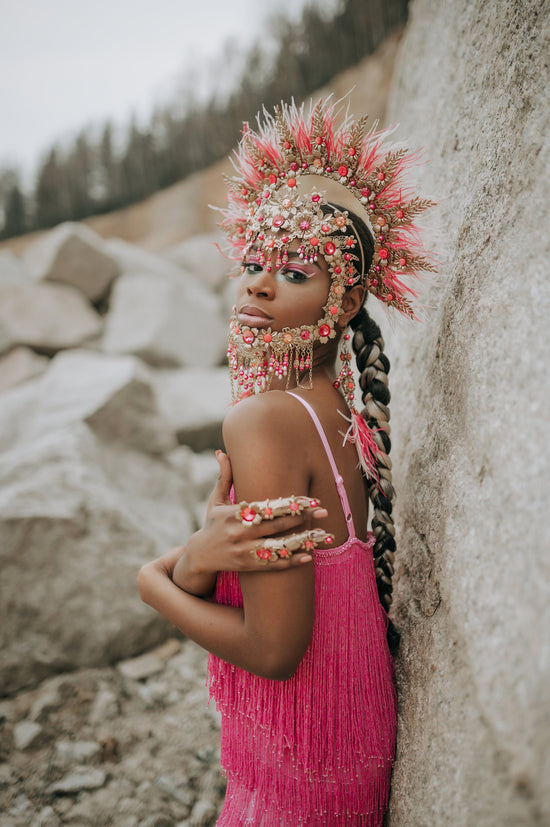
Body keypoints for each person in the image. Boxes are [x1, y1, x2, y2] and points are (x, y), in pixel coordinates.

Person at [137, 99, 434, 825]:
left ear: (347, 296)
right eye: (252, 263)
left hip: (303, 768)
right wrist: (204, 554)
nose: (258, 285)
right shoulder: (334, 405)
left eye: (295, 271)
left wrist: (150, 582)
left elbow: (273, 646)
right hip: (347, 740)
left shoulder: (264, 419)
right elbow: (290, 564)